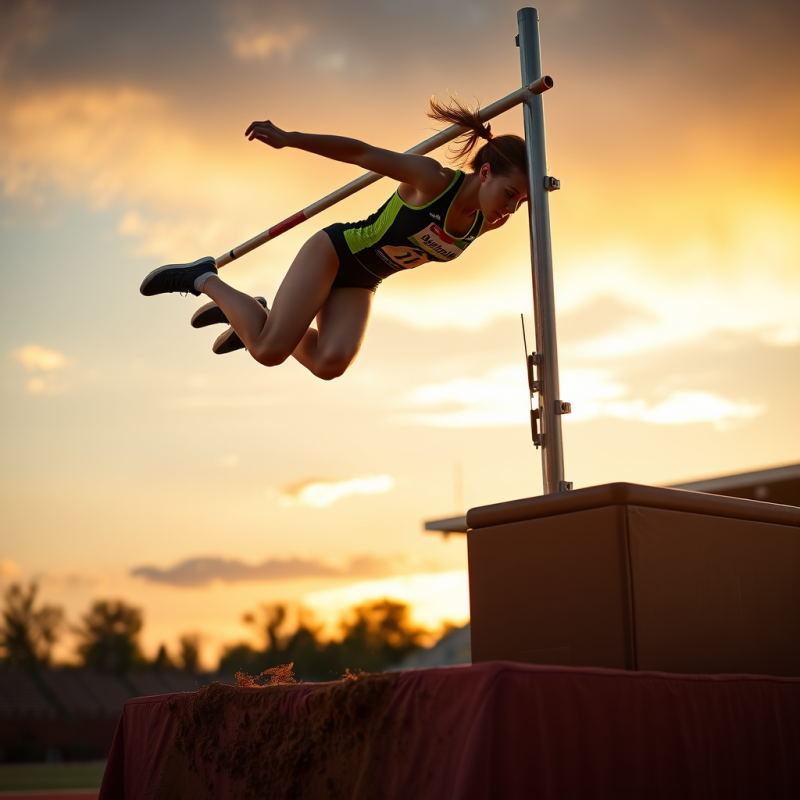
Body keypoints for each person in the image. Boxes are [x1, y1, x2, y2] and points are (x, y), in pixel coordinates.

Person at [140, 97, 528, 380]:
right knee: (269, 351)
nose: (511, 209)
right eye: (510, 194)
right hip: (336, 253)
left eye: (522, 202)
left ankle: (254, 316)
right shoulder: (433, 180)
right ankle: (201, 277)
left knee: (330, 364)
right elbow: (361, 152)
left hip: (365, 280)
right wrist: (289, 138)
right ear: (485, 173)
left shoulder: (488, 221)